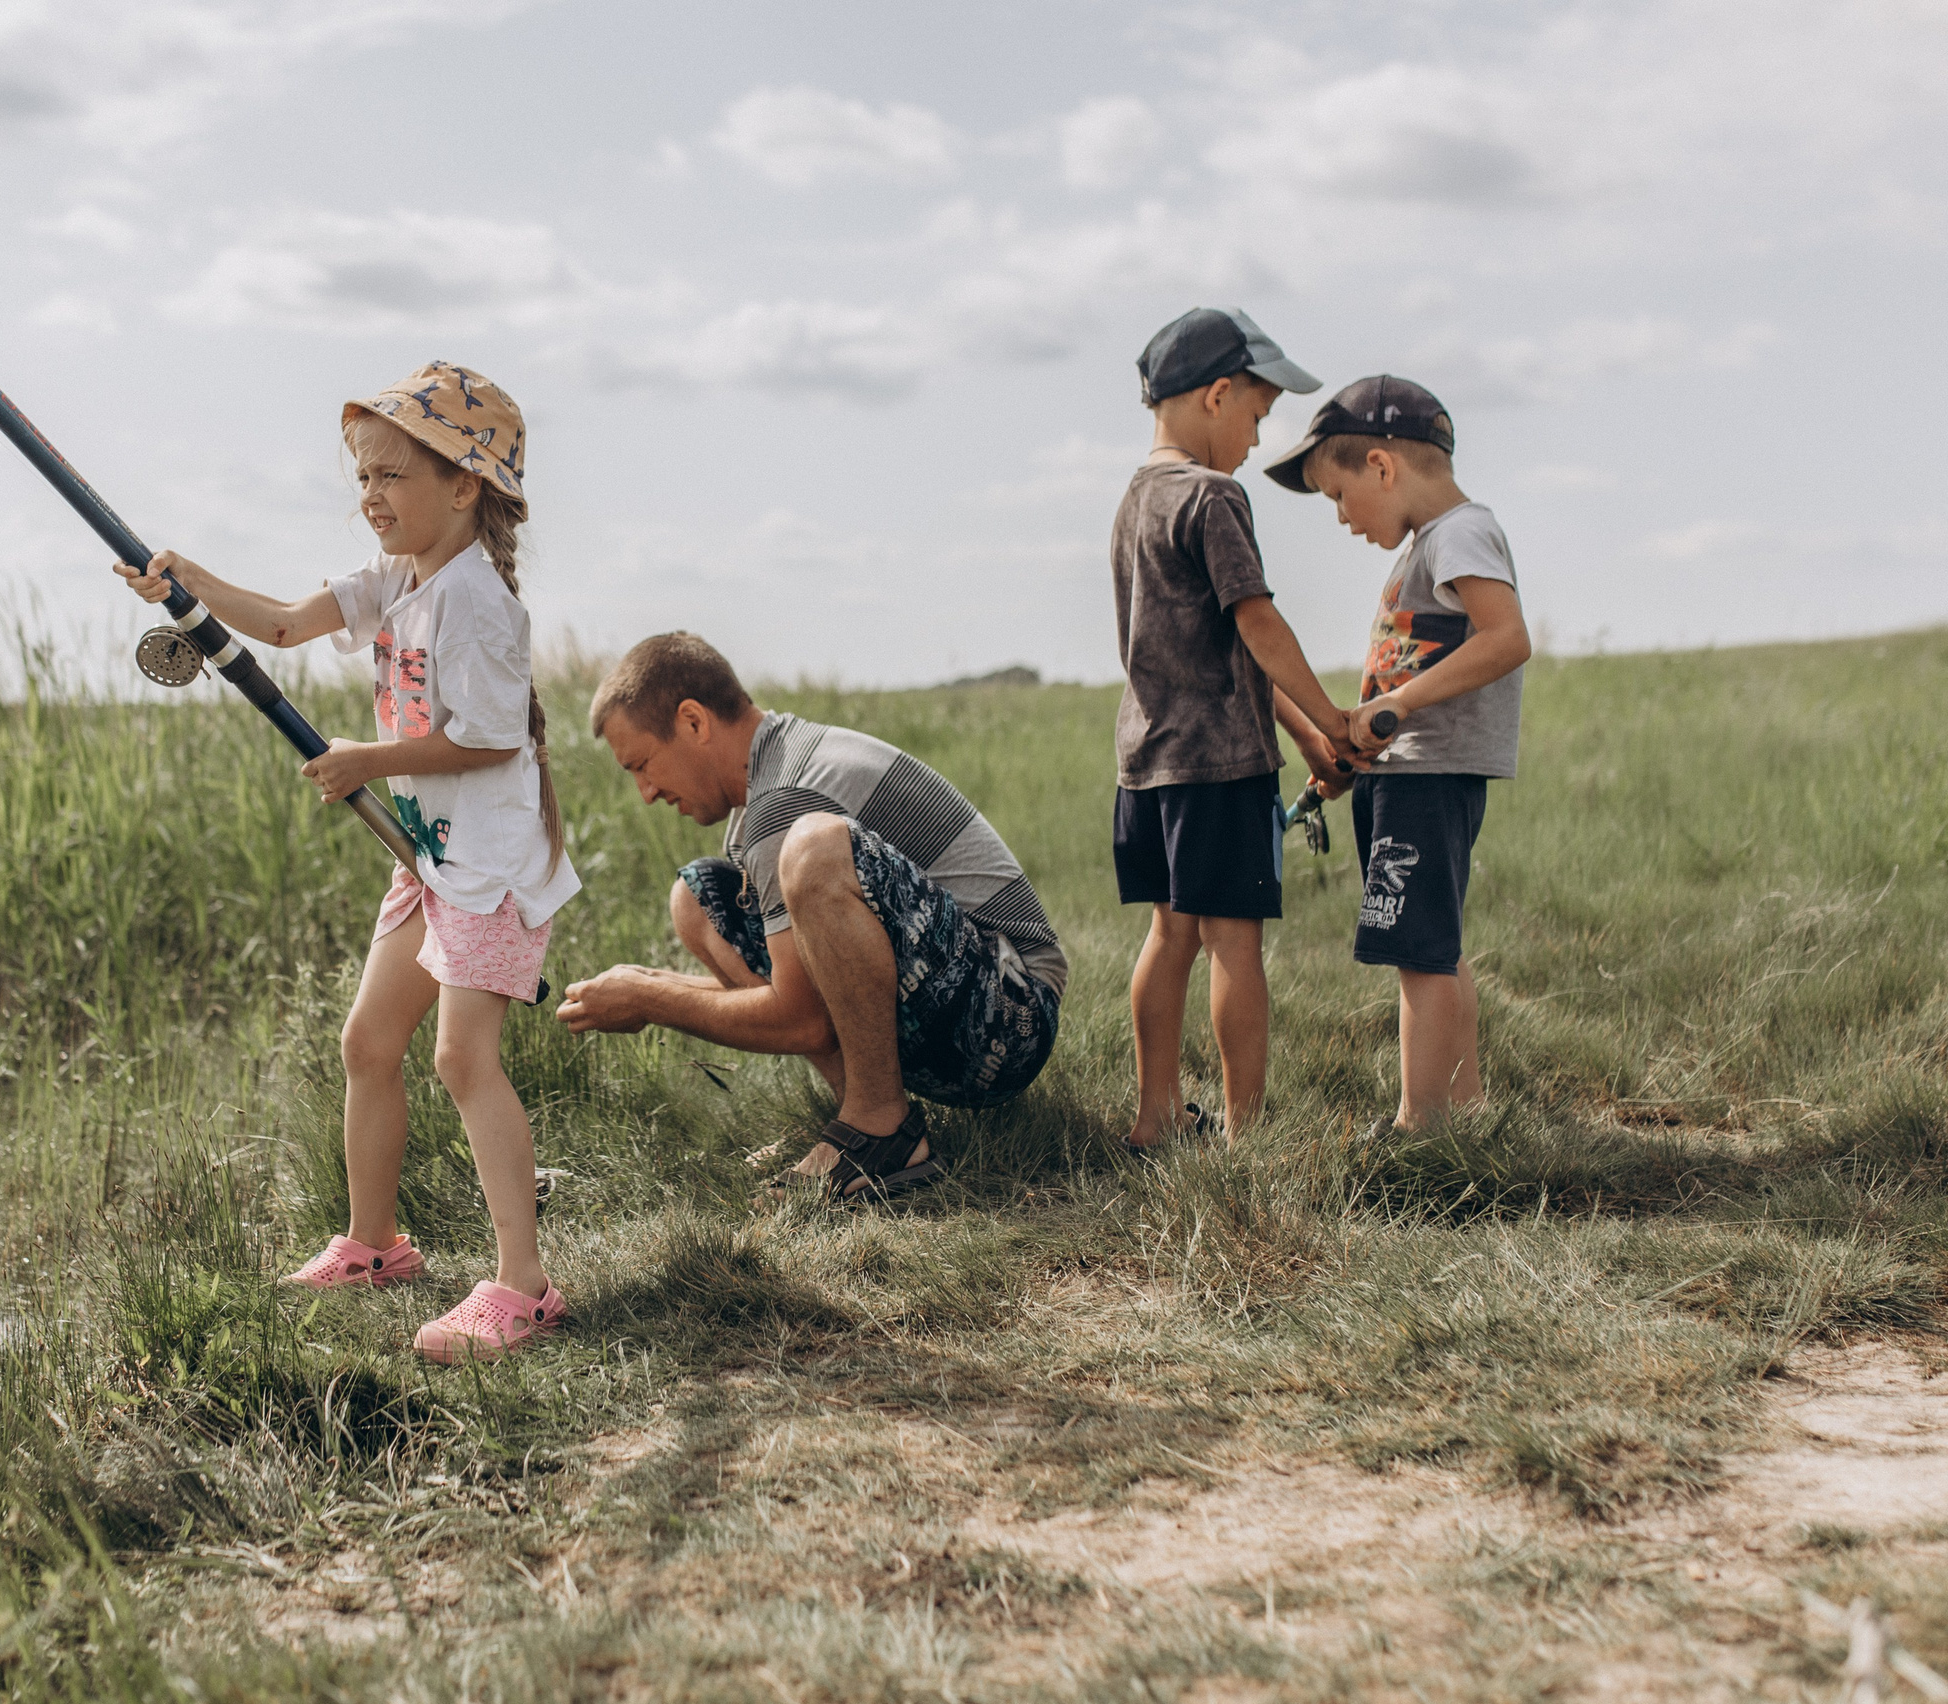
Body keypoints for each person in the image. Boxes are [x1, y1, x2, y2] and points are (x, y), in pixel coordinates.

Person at [115, 361, 578, 1363]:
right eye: (361, 478)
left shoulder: (478, 605)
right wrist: (184, 581)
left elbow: (491, 742)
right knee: (369, 1042)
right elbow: (281, 622)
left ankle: (524, 1286)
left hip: (491, 862)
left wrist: (370, 758)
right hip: (428, 857)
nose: (370, 496)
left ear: (464, 485)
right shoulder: (395, 583)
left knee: (463, 1058)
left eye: (390, 477)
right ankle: (375, 1245)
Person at [559, 633, 1067, 1204]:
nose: (645, 792)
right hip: (958, 994)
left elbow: (803, 1020)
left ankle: (880, 1126)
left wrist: (652, 1002)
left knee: (812, 847)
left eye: (642, 764)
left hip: (1011, 1015)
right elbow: (799, 989)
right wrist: (651, 983)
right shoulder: (773, 771)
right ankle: (858, 1112)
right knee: (697, 897)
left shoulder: (783, 799)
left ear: (694, 722)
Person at [1110, 307, 1370, 1153]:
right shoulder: (1215, 497)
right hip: (1221, 768)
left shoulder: (1134, 503)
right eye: (1257, 418)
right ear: (1217, 396)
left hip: (1147, 764)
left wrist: (1302, 737)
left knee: (1167, 936)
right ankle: (1247, 1137)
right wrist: (1335, 717)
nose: (1259, 440)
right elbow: (1255, 626)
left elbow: (1215, 646)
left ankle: (1155, 1116)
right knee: (1233, 946)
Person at [1262, 375, 1529, 1132]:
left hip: (1430, 771)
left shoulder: (1460, 533)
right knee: (1432, 946)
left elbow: (1506, 638)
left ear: (1382, 466)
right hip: (1405, 770)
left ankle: (1421, 1125)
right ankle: (1465, 1107)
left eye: (1338, 496)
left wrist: (1399, 707)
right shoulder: (1431, 544)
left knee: (1419, 952)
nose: (1342, 519)